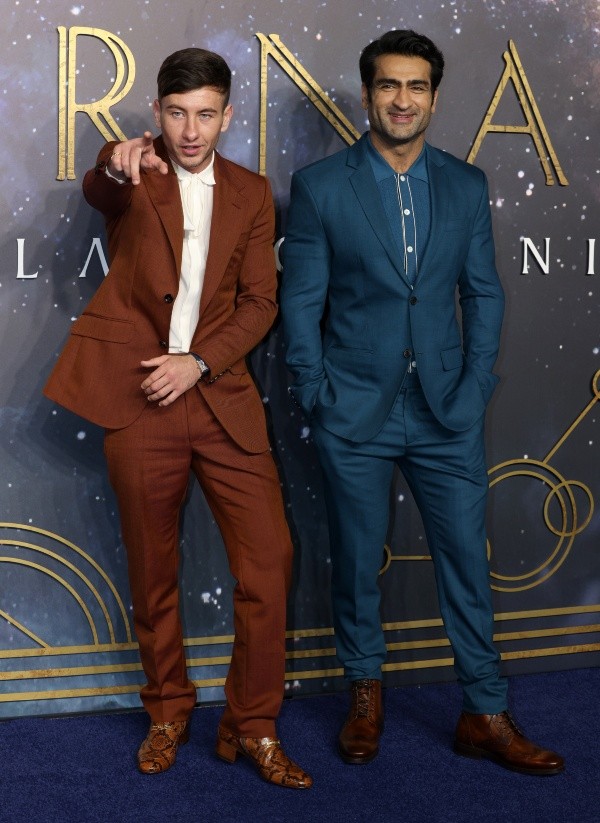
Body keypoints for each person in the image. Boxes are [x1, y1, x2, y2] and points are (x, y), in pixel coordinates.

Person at [281, 29, 563, 775]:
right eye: (387, 85)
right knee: (354, 564)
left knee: (467, 561)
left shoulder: (466, 184)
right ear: (369, 92)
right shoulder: (319, 186)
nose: (401, 100)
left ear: (434, 97)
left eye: (416, 87)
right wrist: (316, 392)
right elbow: (301, 303)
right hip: (354, 412)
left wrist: (474, 388)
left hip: (446, 412)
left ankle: (486, 709)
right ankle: (364, 692)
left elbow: (486, 294)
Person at [44, 47, 311, 789]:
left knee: (269, 563)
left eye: (205, 115)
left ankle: (253, 723)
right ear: (157, 113)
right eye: (175, 113)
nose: (189, 131)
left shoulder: (254, 193)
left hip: (218, 398)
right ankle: (166, 709)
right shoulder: (134, 172)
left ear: (227, 116)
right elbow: (102, 185)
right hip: (137, 397)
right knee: (153, 568)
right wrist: (113, 162)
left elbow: (261, 302)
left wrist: (198, 361)